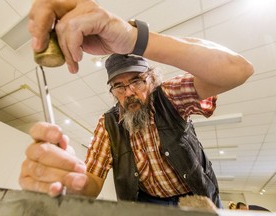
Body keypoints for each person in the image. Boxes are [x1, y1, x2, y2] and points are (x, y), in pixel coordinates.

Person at [19, 0, 254, 208]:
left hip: (196, 199)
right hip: (146, 205)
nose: (129, 92)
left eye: (136, 81)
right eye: (119, 86)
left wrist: (134, 38)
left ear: (151, 79)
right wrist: (69, 178)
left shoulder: (168, 97)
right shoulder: (109, 124)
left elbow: (238, 70)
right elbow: (91, 182)